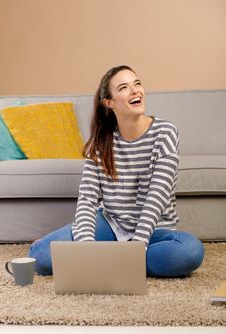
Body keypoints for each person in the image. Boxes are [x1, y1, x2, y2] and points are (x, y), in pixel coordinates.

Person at [29, 65, 205, 276]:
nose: (135, 90)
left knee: (190, 251)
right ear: (109, 102)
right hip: (111, 224)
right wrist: (85, 248)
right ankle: (116, 261)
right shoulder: (100, 142)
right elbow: (87, 198)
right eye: (124, 87)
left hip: (154, 230)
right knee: (39, 257)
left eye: (137, 84)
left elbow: (156, 197)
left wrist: (137, 245)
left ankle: (110, 260)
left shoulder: (165, 133)